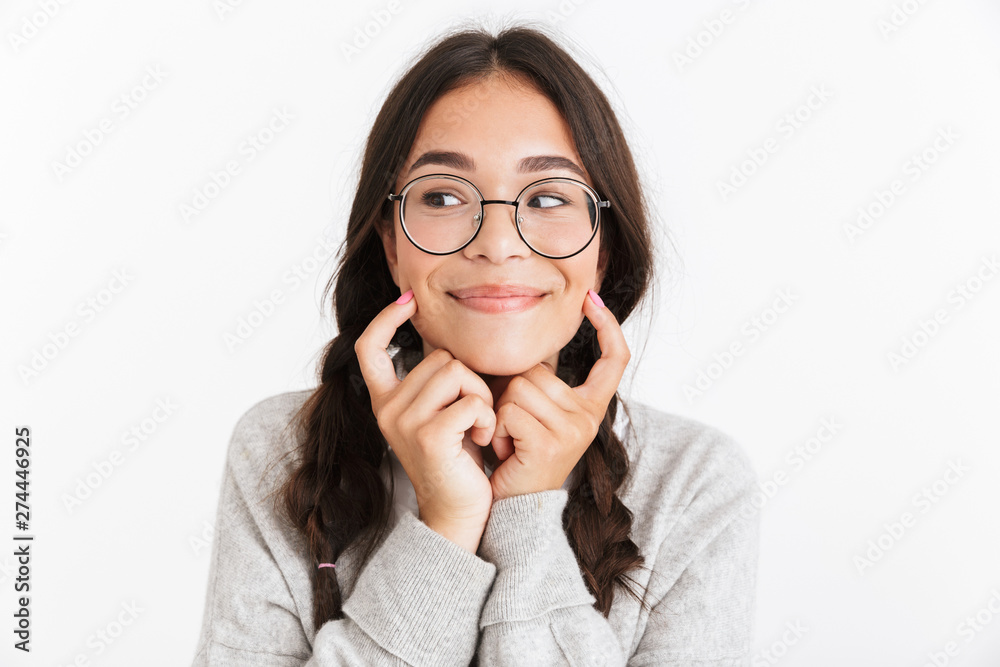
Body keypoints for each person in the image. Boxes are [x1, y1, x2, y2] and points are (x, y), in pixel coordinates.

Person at [192, 21, 760, 666]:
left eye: (547, 198)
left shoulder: (693, 481)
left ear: (604, 251)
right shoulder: (280, 449)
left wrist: (528, 515)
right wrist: (444, 527)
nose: (496, 243)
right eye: (442, 196)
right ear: (390, 243)